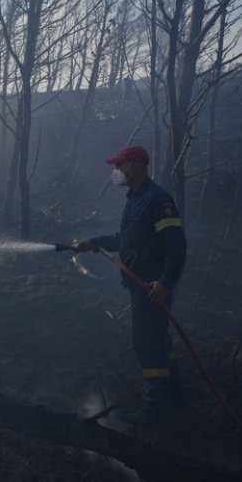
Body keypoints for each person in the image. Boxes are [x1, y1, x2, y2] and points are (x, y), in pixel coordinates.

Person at [76, 145, 186, 427]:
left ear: (134, 167)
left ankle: (155, 411)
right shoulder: (136, 198)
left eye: (118, 166)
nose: (115, 172)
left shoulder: (157, 199)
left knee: (147, 345)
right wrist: (96, 242)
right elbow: (127, 238)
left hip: (151, 288)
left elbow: (177, 246)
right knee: (159, 339)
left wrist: (164, 283)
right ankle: (176, 397)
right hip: (143, 287)